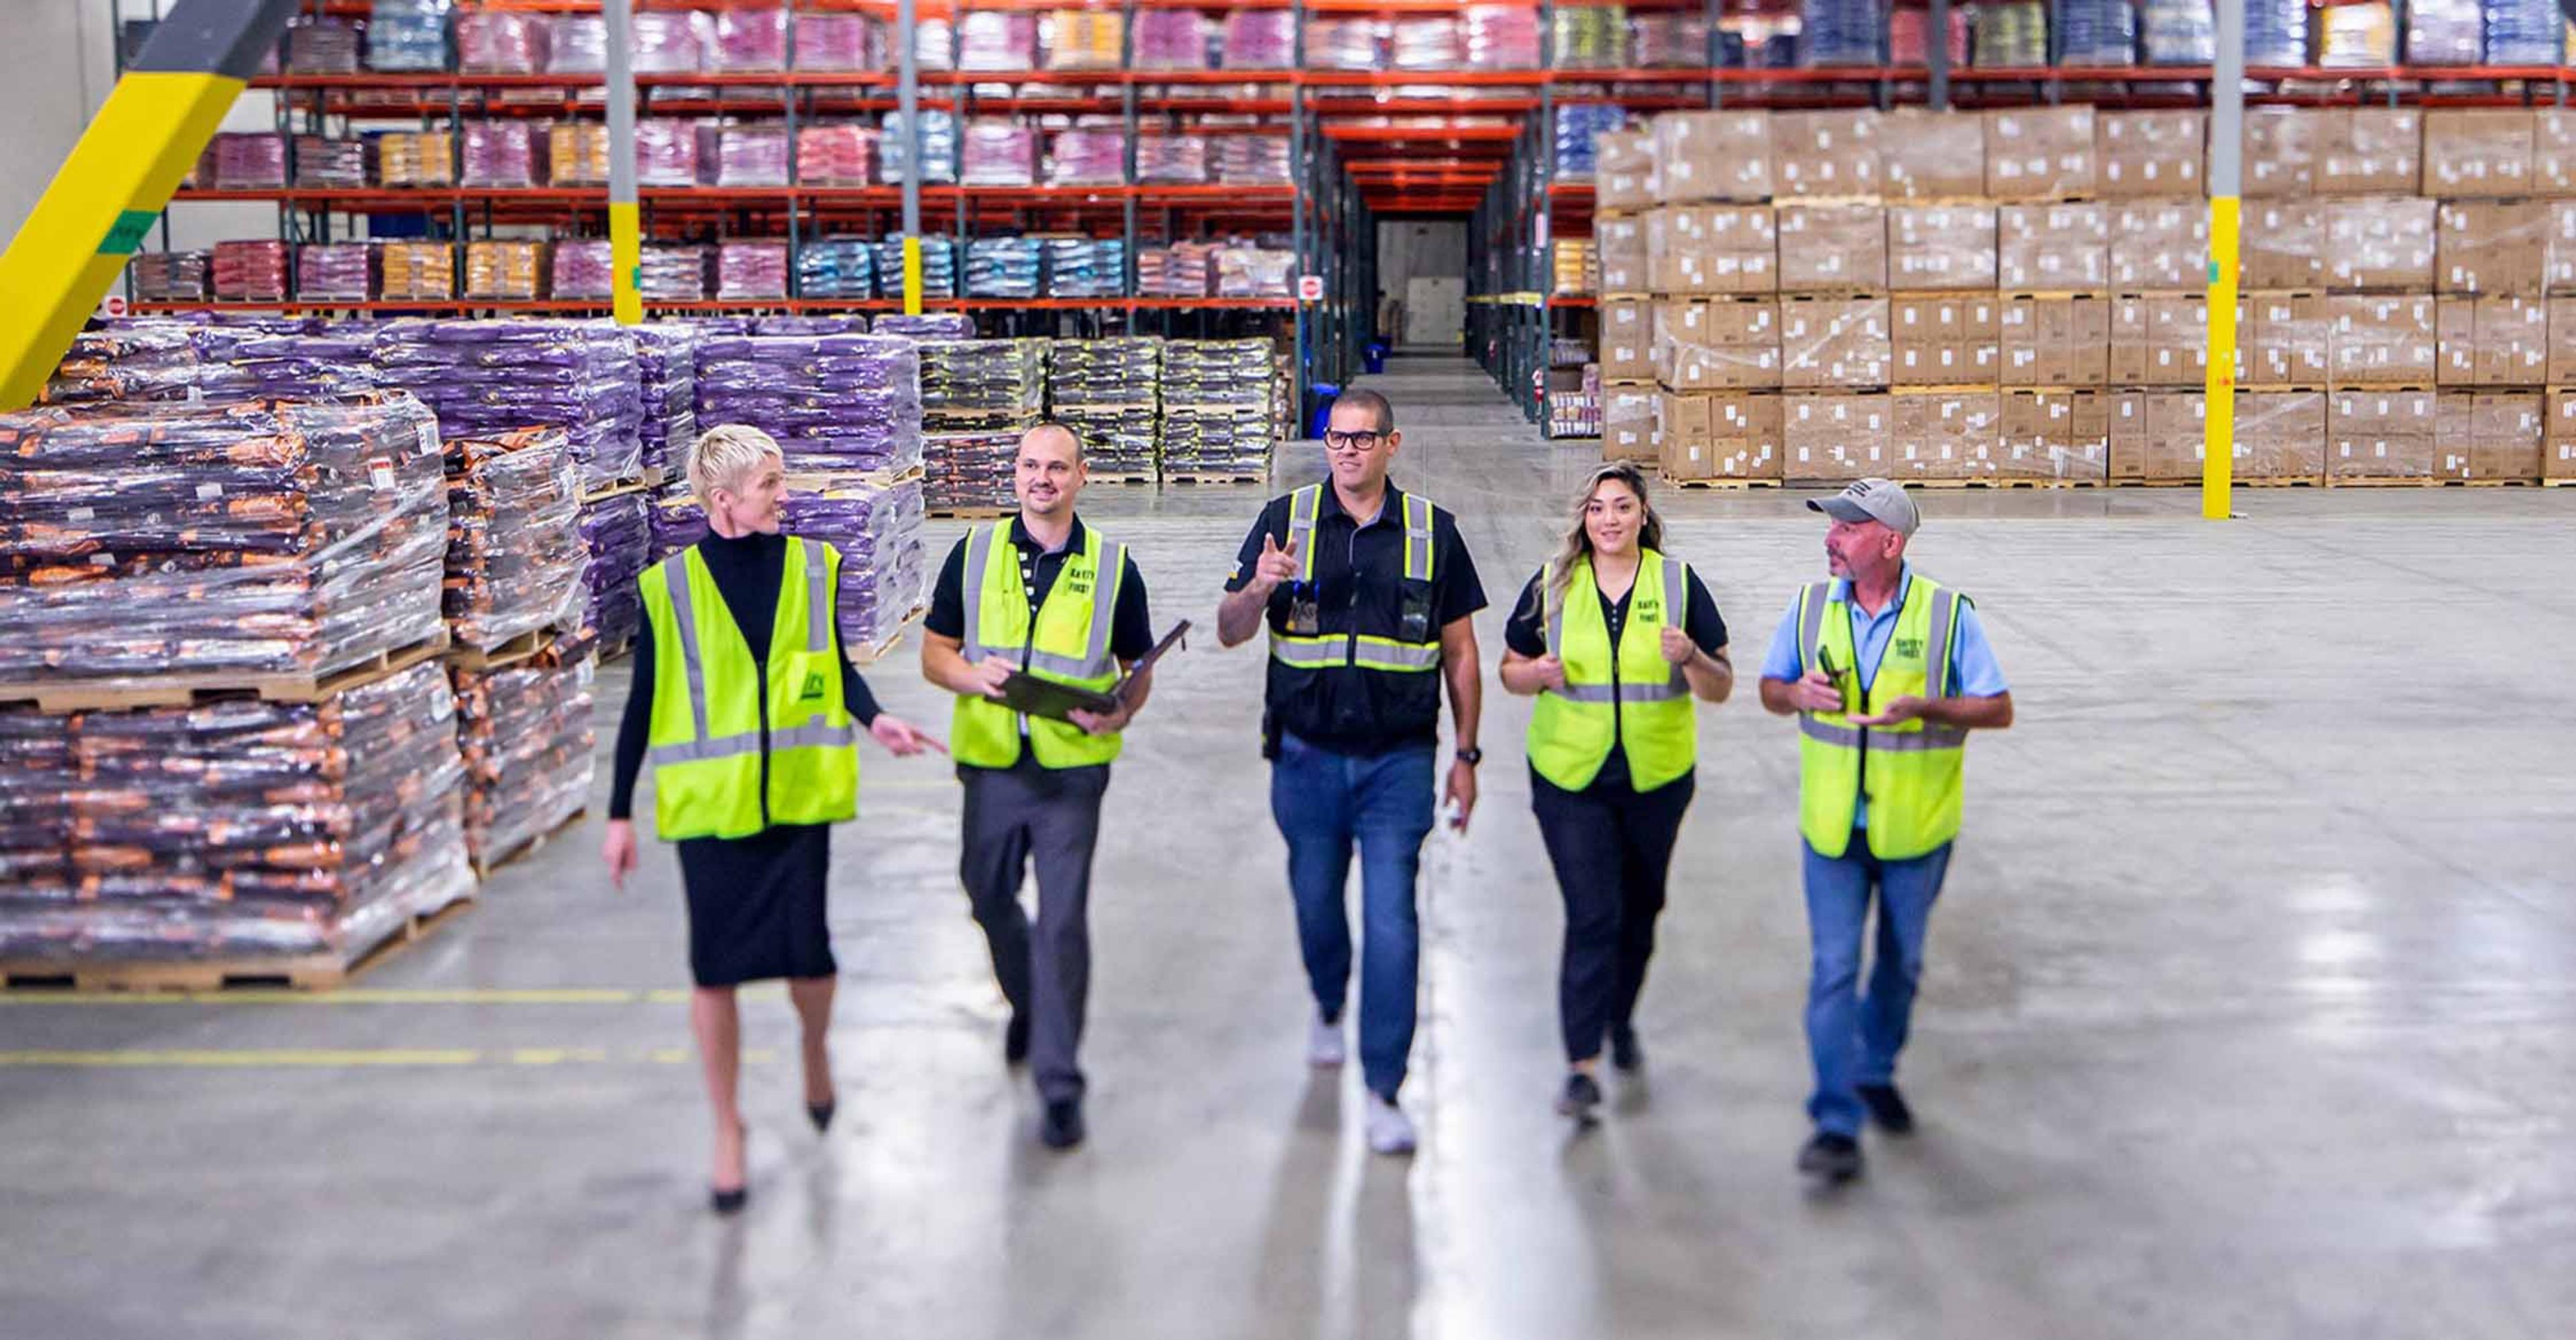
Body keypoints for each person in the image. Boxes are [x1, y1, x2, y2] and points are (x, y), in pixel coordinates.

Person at [601, 425, 943, 1215]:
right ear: (724, 501)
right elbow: (644, 703)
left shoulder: (812, 567)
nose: (784, 495)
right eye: (770, 484)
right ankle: (728, 1126)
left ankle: (815, 1053)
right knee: (713, 971)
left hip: (796, 798)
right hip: (711, 811)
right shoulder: (670, 587)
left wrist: (877, 718)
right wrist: (618, 811)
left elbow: (833, 662)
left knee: (810, 958)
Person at [1216, 387, 1486, 1156]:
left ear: (1391, 446)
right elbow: (1231, 630)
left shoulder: (1435, 532)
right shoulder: (1283, 521)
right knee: (1314, 901)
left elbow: (1461, 653)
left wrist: (1466, 755)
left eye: (1365, 440)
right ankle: (1329, 1000)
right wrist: (1260, 586)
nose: (1349, 452)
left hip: (1398, 761)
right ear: (1324, 442)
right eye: (1338, 438)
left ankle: (1383, 1087)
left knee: (1394, 922)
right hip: (1304, 757)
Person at [1756, 478, 2013, 1183]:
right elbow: (1770, 689)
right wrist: (1794, 693)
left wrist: (1928, 706)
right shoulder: (1809, 608)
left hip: (1914, 829)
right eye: (1832, 526)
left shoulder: (1946, 615)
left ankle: (1874, 1070)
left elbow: (1997, 707)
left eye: (1847, 527)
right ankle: (1835, 1121)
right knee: (1835, 968)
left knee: (1900, 964)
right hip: (1833, 827)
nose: (1830, 539)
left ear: (1890, 543)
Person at [920, 422, 1155, 1151]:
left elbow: (1136, 667)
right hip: (991, 764)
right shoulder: (974, 552)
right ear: (1015, 473)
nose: (1041, 479)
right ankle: (1027, 1000)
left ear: (1081, 477)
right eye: (1030, 465)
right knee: (986, 893)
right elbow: (936, 654)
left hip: (1069, 774)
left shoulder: (1114, 567)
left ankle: (1059, 1082)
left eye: (1056, 467)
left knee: (1060, 922)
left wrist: (1116, 707)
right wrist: (970, 676)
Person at [1496, 462, 1733, 1121]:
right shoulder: (1553, 584)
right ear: (1583, 517)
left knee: (1640, 909)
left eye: (1621, 507)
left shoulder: (1679, 584)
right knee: (1593, 911)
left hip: (1657, 776)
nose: (1608, 519)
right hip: (1570, 776)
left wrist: (1690, 656)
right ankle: (1581, 1065)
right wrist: (1536, 673)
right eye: (1597, 508)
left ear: (1642, 514)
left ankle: (1619, 1016)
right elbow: (1509, 670)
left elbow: (1721, 685)